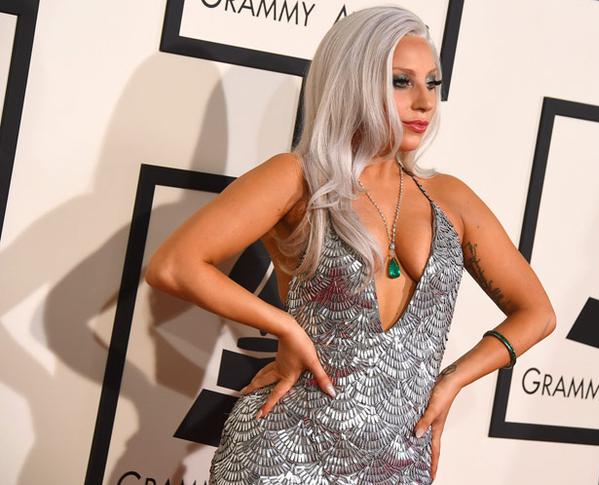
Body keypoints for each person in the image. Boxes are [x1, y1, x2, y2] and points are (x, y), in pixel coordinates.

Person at [145, 5, 556, 484]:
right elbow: (174, 265)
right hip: (286, 451)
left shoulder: (451, 198)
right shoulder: (298, 179)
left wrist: (452, 380)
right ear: (355, 82)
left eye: (433, 83)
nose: (424, 102)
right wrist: (286, 327)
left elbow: (538, 313)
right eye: (401, 82)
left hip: (399, 461)